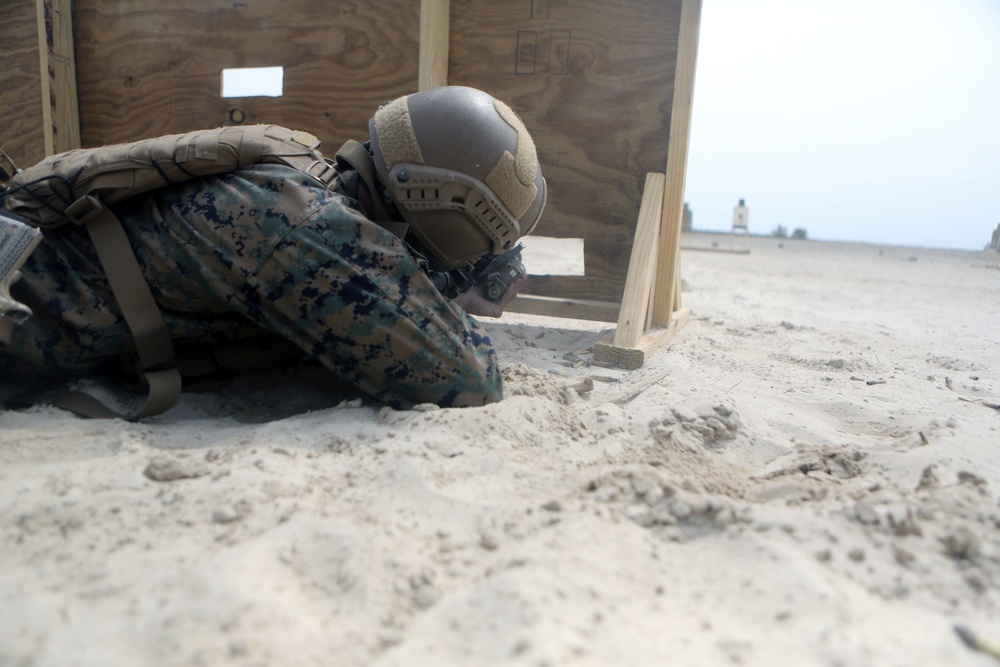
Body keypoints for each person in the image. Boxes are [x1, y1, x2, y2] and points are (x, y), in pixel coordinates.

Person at [0, 86, 547, 412]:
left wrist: (438, 283)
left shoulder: (299, 172)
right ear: (446, 206)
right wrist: (459, 298)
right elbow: (466, 379)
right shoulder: (309, 225)